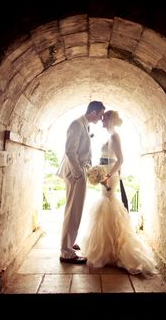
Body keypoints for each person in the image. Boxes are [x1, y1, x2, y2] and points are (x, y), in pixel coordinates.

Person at [81, 110, 156, 277]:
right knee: (105, 205)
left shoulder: (115, 136)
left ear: (110, 119)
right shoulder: (109, 135)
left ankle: (114, 250)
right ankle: (106, 248)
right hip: (106, 172)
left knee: (109, 204)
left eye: (104, 118)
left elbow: (121, 159)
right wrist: (99, 172)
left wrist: (107, 175)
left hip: (110, 174)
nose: (101, 120)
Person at [57, 101, 105, 264]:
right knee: (73, 211)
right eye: (100, 114)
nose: (100, 118)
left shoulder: (84, 125)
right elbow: (70, 151)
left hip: (78, 171)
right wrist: (79, 174)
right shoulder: (77, 124)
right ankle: (66, 253)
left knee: (74, 210)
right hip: (74, 173)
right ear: (93, 112)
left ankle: (69, 242)